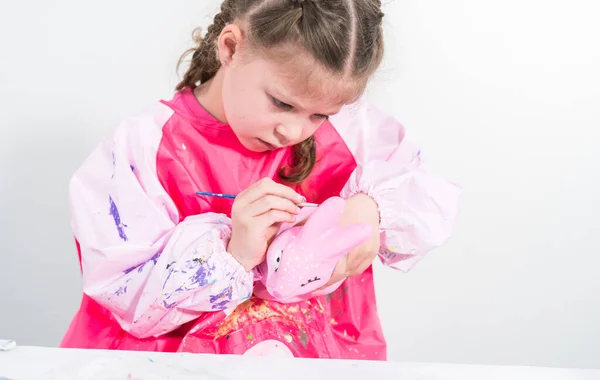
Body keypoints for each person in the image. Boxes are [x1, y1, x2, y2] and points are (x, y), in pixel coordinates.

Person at [61, 0, 460, 359]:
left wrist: (372, 209)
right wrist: (233, 253)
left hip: (312, 372)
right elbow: (124, 290)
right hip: (168, 375)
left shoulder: (356, 134)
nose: (295, 131)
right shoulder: (143, 147)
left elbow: (420, 195)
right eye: (282, 103)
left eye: (320, 115)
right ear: (230, 48)